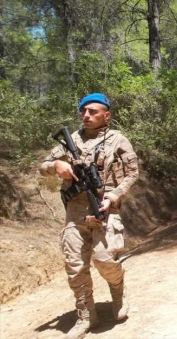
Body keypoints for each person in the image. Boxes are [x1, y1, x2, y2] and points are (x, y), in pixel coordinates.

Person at [39, 93, 139, 339]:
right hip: (75, 211)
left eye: (93, 111)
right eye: (83, 111)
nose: (86, 115)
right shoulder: (70, 140)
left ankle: (118, 293)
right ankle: (86, 316)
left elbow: (132, 173)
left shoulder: (118, 140)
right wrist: (56, 166)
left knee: (105, 260)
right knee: (75, 266)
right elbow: (43, 167)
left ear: (107, 115)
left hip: (104, 208)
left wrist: (113, 196)